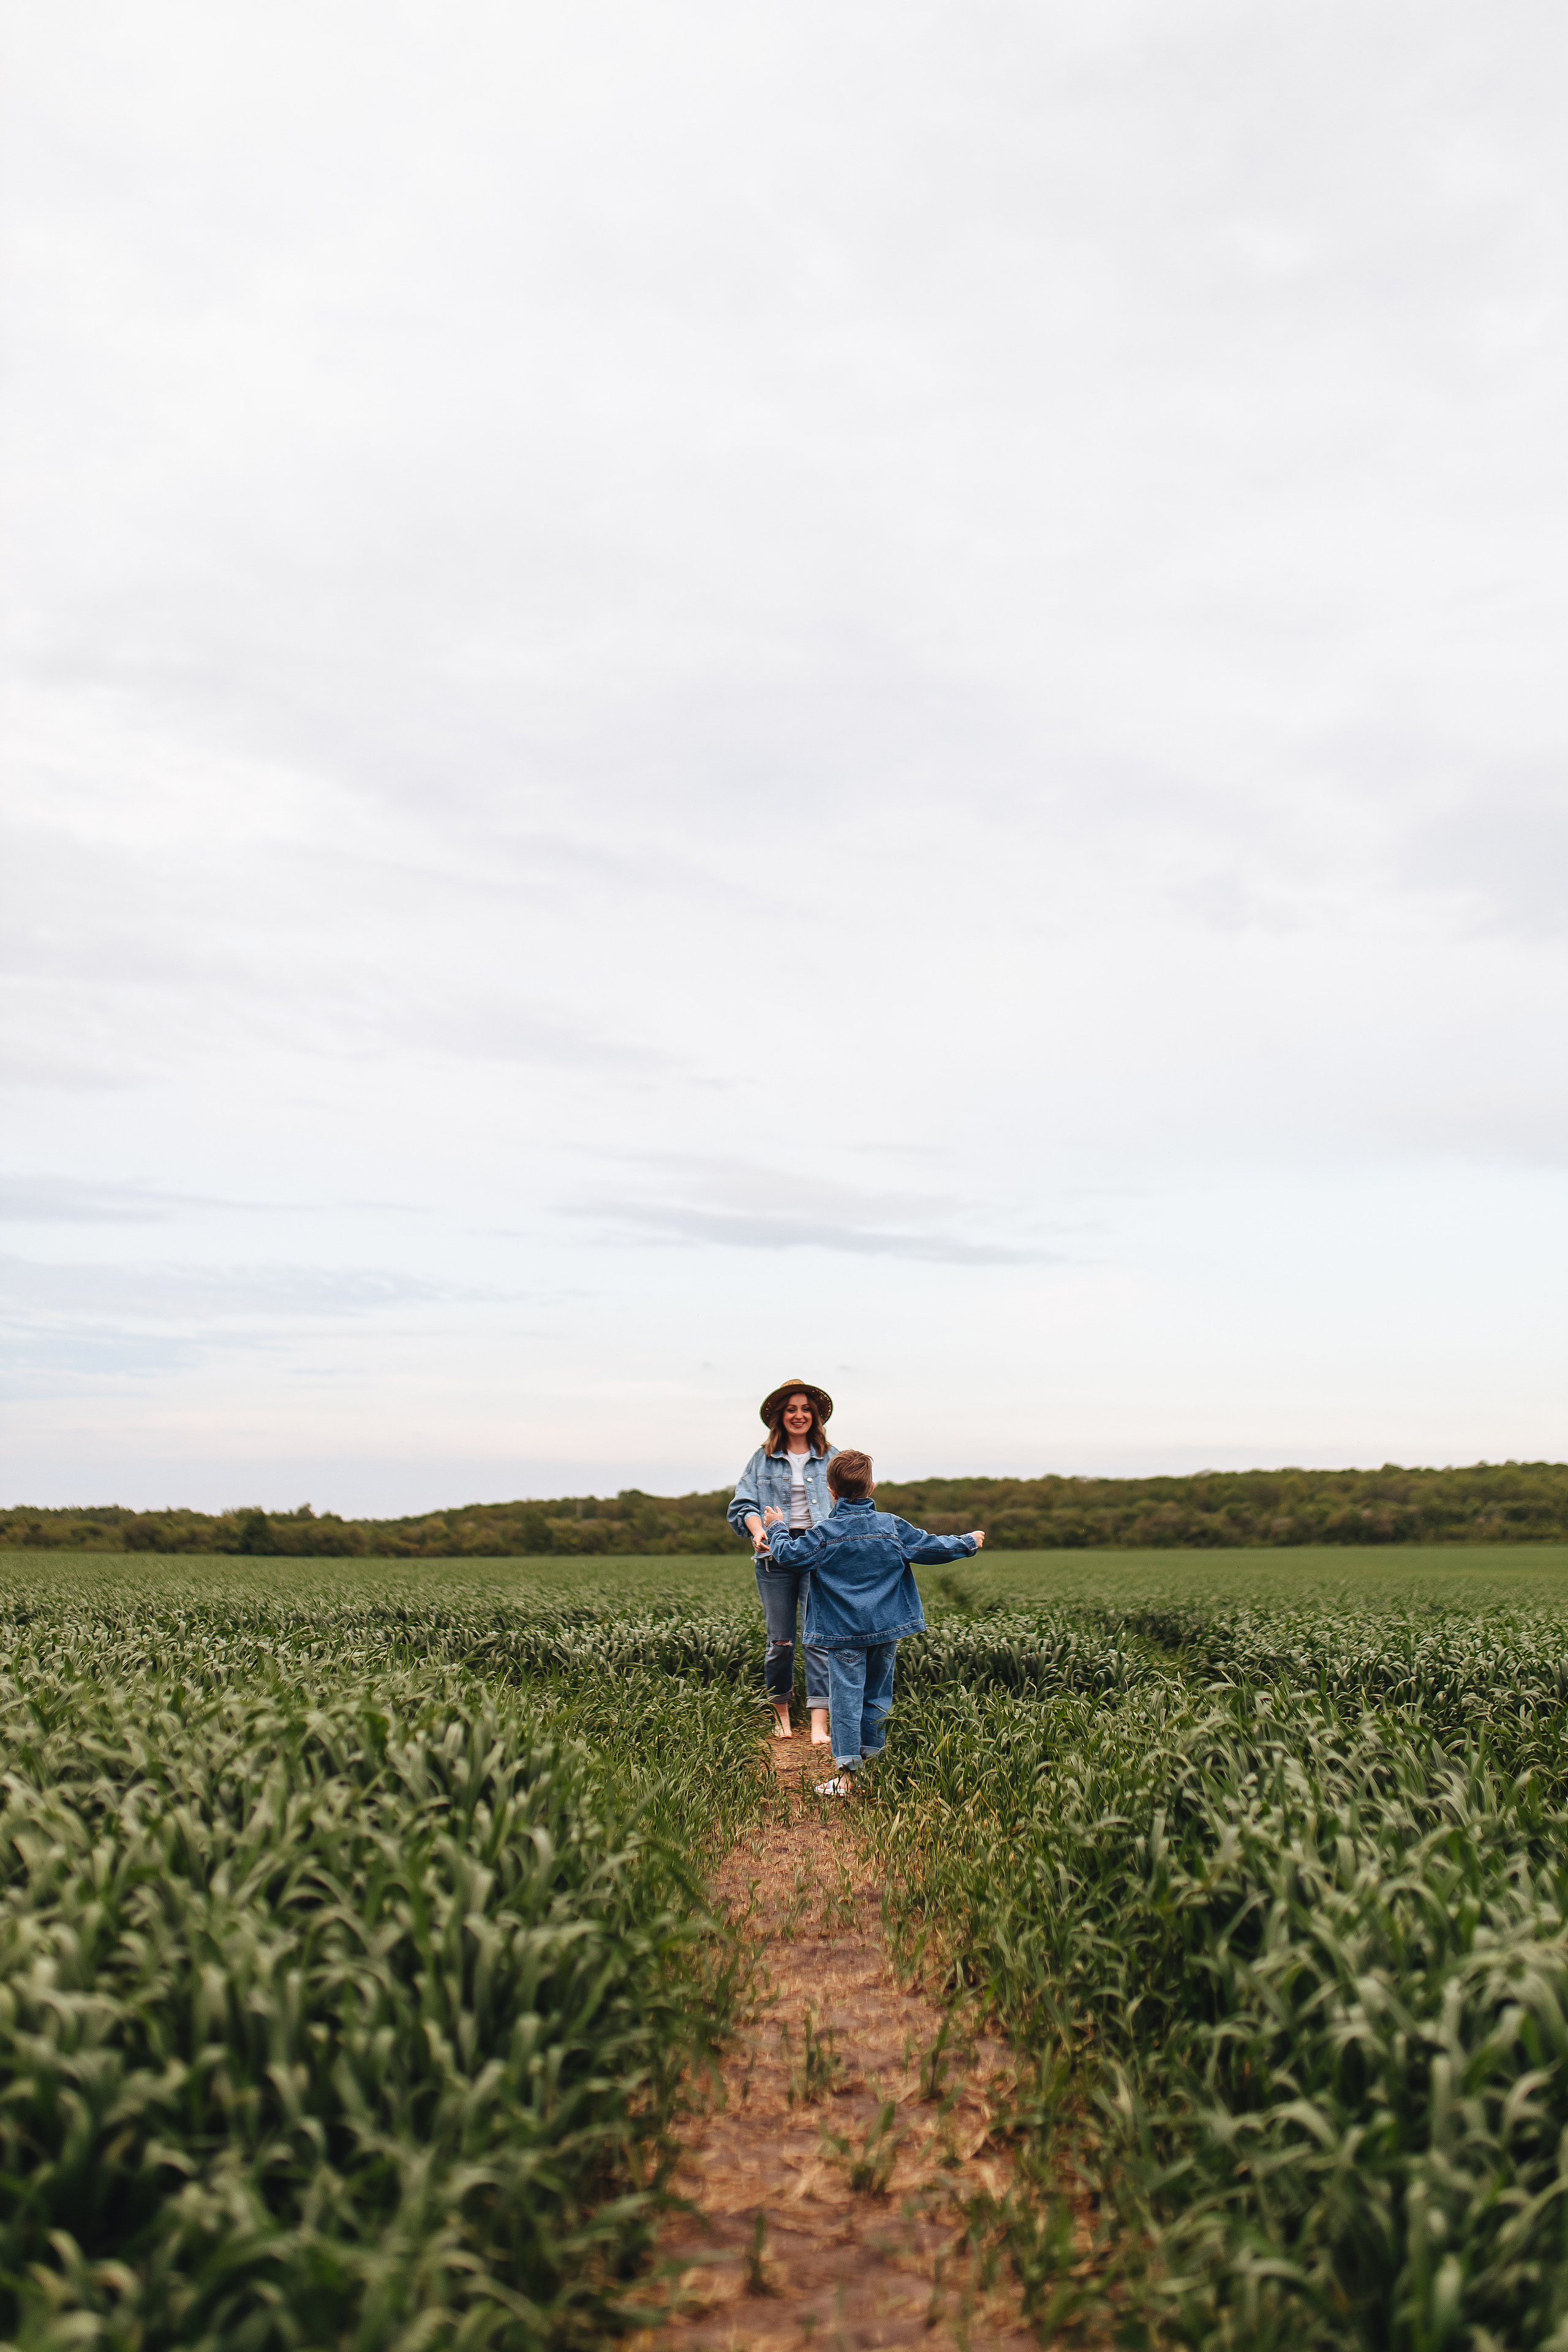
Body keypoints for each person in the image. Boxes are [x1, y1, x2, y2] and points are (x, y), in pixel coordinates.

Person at [762, 1446, 984, 1796]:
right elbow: (933, 1548)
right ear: (872, 1487)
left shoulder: (825, 1533)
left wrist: (775, 1527)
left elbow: (790, 1556)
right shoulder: (892, 1527)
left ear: (830, 1491)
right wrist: (967, 1541)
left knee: (846, 1699)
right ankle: (874, 1763)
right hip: (886, 1628)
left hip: (843, 1632)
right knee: (878, 1695)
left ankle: (849, 1774)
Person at [728, 1379, 838, 1743]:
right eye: (791, 1409)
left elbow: (846, 1504)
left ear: (816, 1416)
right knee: (781, 1642)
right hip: (774, 1552)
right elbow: (743, 1506)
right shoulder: (761, 1458)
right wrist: (758, 1530)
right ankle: (781, 1715)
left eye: (805, 1409)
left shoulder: (831, 1456)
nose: (799, 1415)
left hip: (817, 1551)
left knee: (818, 1638)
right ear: (780, 1416)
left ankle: (820, 1724)